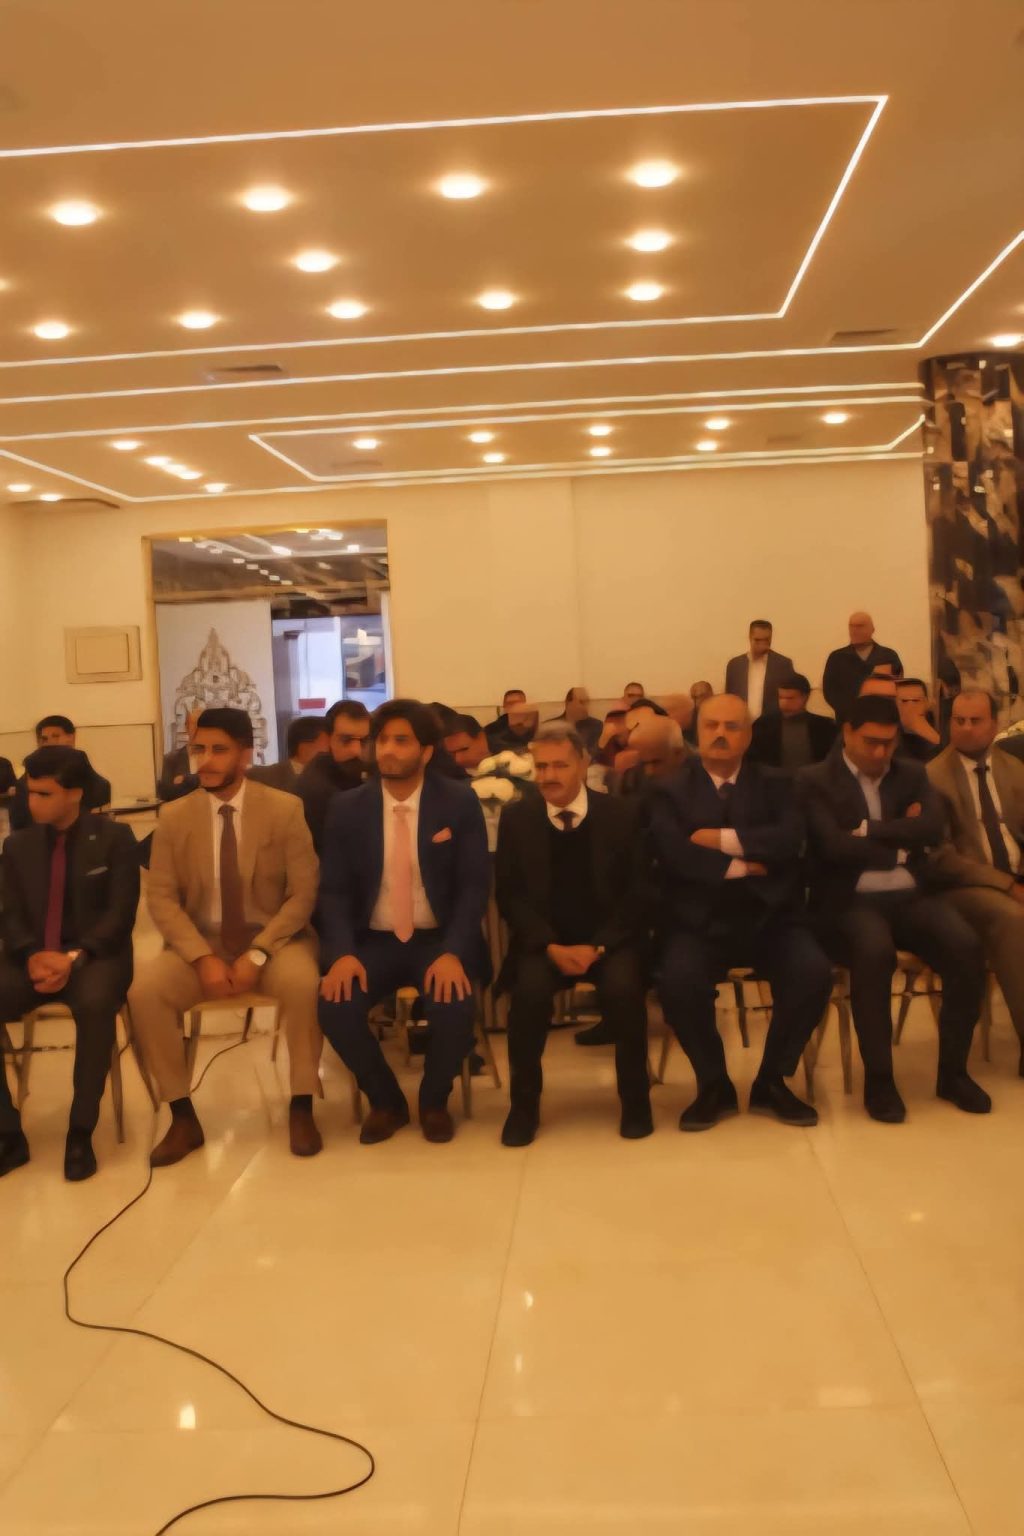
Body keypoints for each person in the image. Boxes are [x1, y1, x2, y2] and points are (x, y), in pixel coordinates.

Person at [129, 708, 323, 1164]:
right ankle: (182, 1116)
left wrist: (258, 953)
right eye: (199, 749)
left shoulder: (284, 809)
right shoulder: (175, 816)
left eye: (219, 750)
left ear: (245, 755)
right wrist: (202, 958)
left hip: (273, 941)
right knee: (145, 993)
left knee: (304, 984)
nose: (206, 760)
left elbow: (303, 894)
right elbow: (162, 898)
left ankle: (301, 1104)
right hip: (201, 944)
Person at [798, 696, 989, 1122]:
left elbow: (931, 828)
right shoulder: (814, 780)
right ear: (847, 733)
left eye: (889, 742)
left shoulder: (911, 773)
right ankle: (880, 1081)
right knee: (874, 952)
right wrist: (900, 845)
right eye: (871, 742)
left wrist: (867, 830)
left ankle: (953, 1074)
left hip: (909, 895)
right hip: (848, 900)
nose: (880, 752)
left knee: (965, 945)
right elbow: (832, 846)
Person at [649, 694, 830, 1131]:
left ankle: (772, 1081)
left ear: (748, 736)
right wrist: (745, 864)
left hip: (772, 917)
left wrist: (717, 839)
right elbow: (672, 852)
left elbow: (789, 840)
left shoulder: (780, 783)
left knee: (812, 973)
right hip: (698, 920)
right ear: (696, 732)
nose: (720, 734)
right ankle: (713, 1083)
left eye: (732, 727)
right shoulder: (668, 788)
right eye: (711, 725)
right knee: (677, 981)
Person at [317, 700, 490, 1145]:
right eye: (382, 740)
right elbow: (333, 891)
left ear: (426, 751)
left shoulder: (458, 801)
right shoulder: (348, 807)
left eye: (401, 740)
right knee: (335, 1004)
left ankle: (434, 1100)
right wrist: (341, 954)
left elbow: (473, 887)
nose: (388, 750)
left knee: (454, 1004)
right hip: (372, 940)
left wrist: (454, 952)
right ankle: (386, 1100)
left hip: (438, 939)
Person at [495, 723, 652, 1145]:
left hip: (610, 941)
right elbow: (509, 896)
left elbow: (639, 892)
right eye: (541, 766)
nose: (549, 775)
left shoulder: (621, 815)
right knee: (528, 996)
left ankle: (636, 1101)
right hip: (545, 943)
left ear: (583, 764)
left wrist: (599, 945)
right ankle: (523, 1107)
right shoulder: (518, 819)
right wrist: (549, 945)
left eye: (560, 765)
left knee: (624, 990)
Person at [0, 747, 139, 1181]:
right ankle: (7, 1132)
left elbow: (121, 914)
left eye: (44, 794)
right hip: (32, 956)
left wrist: (74, 956)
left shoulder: (115, 838)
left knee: (96, 1005)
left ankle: (81, 1131)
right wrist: (31, 954)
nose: (32, 802)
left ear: (75, 793)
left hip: (95, 956)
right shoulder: (17, 845)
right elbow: (9, 912)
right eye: (30, 792)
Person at [927, 690, 1024, 1070]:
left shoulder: (1013, 768)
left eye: (975, 720)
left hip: (1016, 874)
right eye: (959, 720)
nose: (966, 728)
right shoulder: (932, 777)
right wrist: (1007, 885)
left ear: (994, 724)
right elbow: (941, 858)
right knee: (1013, 918)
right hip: (963, 887)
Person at [10, 716, 112, 830]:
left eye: (56, 736)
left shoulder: (88, 774)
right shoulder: (26, 779)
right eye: (44, 739)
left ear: (71, 738)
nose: (51, 743)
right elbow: (19, 821)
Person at [296, 699, 370, 851]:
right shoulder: (317, 787)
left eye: (364, 741)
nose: (356, 750)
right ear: (327, 740)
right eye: (346, 740)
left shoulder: (361, 772)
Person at [822, 612, 903, 723]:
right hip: (847, 722)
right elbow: (830, 692)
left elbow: (897, 687)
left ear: (872, 629)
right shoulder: (837, 657)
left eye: (860, 626)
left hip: (882, 721)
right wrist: (851, 712)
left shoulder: (888, 656)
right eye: (851, 626)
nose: (854, 630)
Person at [748, 673, 838, 770]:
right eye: (781, 697)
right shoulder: (763, 725)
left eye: (790, 698)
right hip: (771, 778)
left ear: (805, 697)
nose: (784, 703)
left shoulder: (824, 727)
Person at [724, 620, 794, 719]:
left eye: (766, 640)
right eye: (757, 640)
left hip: (771, 724)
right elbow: (729, 699)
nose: (762, 645)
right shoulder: (734, 665)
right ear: (749, 637)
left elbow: (789, 700)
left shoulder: (783, 664)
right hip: (741, 723)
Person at [249, 716, 329, 795]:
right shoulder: (261, 777)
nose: (332, 748)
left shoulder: (329, 780)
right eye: (328, 741)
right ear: (304, 746)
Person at [157, 707, 203, 802]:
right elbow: (166, 795)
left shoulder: (216, 759)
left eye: (204, 725)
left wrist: (186, 779)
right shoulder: (170, 760)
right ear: (187, 727)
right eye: (195, 724)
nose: (200, 729)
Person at [895, 678, 942, 763]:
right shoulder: (890, 738)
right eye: (904, 701)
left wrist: (927, 732)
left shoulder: (940, 732)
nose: (910, 706)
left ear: (926, 703)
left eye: (916, 701)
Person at [548, 688, 602, 755]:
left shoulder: (596, 726)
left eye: (587, 702)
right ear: (568, 703)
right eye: (581, 702)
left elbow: (596, 755)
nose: (586, 707)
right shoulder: (550, 727)